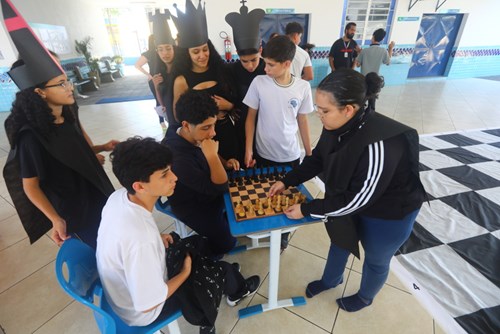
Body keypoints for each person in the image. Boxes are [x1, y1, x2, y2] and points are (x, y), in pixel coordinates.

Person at [269, 68, 426, 312]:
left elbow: (356, 201)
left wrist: (308, 209)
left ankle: (365, 297)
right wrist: (287, 180)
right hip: (354, 196)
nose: (317, 115)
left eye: (324, 111)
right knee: (341, 240)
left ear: (349, 109)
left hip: (390, 211)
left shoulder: (380, 144)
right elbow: (318, 158)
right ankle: (331, 280)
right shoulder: (335, 124)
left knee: (376, 259)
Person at [97, 137, 259, 334]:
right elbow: (147, 304)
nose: (175, 177)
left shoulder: (119, 197)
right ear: (139, 186)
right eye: (165, 174)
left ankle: (219, 281)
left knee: (197, 244)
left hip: (126, 288)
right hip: (144, 311)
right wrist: (185, 273)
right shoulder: (141, 239)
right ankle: (236, 292)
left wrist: (157, 239)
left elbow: (128, 242)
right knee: (220, 270)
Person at [2, 0, 115, 249]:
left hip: (96, 189)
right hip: (75, 207)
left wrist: (99, 148)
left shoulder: (67, 111)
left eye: (68, 80)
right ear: (40, 92)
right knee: (103, 248)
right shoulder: (31, 136)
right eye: (61, 83)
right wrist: (55, 219)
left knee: (115, 236)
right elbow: (30, 186)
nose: (69, 87)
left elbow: (73, 150)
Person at [243, 35, 313, 249]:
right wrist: (248, 149)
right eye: (265, 62)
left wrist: (309, 154)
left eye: (271, 65)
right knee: (265, 195)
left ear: (287, 64)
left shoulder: (302, 88)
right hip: (264, 154)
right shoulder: (259, 83)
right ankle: (264, 230)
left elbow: (302, 120)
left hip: (290, 156)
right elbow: (250, 117)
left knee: (289, 199)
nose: (265, 68)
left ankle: (281, 238)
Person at [164, 90, 240, 256]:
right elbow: (220, 187)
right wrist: (212, 156)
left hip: (207, 191)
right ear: (185, 125)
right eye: (206, 127)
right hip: (193, 205)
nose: (213, 132)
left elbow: (207, 146)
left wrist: (224, 163)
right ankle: (194, 256)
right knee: (228, 242)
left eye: (213, 125)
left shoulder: (191, 134)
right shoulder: (178, 159)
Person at [171, 0, 241, 163]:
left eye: (205, 49)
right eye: (196, 52)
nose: (202, 55)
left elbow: (237, 101)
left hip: (227, 132)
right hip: (202, 138)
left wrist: (228, 106)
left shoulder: (222, 70)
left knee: (234, 172)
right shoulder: (182, 80)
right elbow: (177, 115)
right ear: (187, 53)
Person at [225, 1, 266, 164]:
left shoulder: (269, 69)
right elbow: (231, 96)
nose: (249, 66)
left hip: (266, 125)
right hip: (241, 126)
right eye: (244, 61)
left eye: (254, 60)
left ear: (260, 50)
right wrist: (231, 106)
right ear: (237, 54)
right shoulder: (232, 70)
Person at [149, 10, 179, 139]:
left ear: (174, 48)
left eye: (168, 48)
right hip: (171, 120)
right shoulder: (158, 73)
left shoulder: (181, 70)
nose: (165, 53)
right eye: (160, 49)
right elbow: (163, 105)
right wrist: (156, 86)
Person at [356, 28, 395, 110]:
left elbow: (358, 65)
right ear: (382, 39)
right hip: (375, 81)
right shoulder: (383, 51)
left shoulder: (365, 51)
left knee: (361, 101)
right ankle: (370, 117)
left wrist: (359, 53)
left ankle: (360, 117)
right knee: (372, 102)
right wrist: (390, 48)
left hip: (364, 80)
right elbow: (388, 62)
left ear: (373, 37)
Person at [134, 34, 167, 131]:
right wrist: (148, 75)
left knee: (165, 99)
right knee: (158, 99)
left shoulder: (163, 52)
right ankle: (161, 122)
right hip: (154, 80)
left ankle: (165, 120)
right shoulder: (149, 53)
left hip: (165, 79)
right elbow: (137, 65)